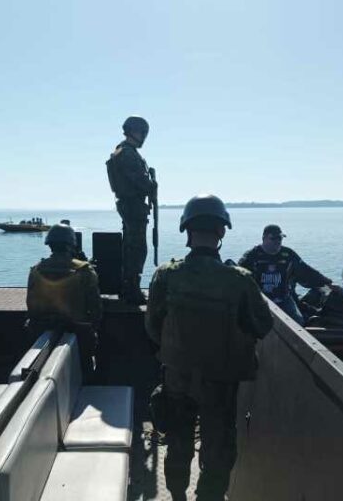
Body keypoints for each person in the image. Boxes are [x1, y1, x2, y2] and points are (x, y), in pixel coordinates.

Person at [146, 194, 273, 501]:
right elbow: (262, 325)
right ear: (221, 231)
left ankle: (177, 495)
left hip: (177, 377)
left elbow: (152, 326)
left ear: (187, 231)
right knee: (218, 451)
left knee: (178, 443)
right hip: (220, 383)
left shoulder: (166, 275)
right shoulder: (239, 280)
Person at [26, 223, 103, 379]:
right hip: (78, 333)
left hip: (43, 332)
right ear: (71, 244)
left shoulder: (36, 269)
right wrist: (92, 327)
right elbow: (96, 308)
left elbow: (31, 305)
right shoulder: (85, 270)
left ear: (50, 245)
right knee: (86, 369)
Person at [106, 115, 157, 305]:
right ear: (134, 132)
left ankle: (128, 287)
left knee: (131, 247)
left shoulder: (124, 151)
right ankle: (132, 291)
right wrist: (151, 185)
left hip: (130, 204)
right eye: (142, 133)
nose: (143, 137)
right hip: (132, 205)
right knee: (136, 248)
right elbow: (139, 181)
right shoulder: (127, 153)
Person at [238, 224, 332, 325]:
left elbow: (306, 271)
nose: (277, 241)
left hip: (284, 298)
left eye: (280, 238)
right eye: (273, 238)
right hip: (260, 301)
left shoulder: (288, 254)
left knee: (299, 323)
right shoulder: (252, 256)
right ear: (264, 238)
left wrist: (328, 282)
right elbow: (239, 277)